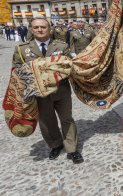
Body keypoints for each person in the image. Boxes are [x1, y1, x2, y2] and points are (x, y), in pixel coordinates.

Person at [12, 16, 83, 163]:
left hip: (61, 91)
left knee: (67, 119)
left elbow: (71, 66)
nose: (39, 29)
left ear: (49, 29)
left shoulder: (61, 46)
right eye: (36, 27)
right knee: (47, 121)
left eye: (43, 27)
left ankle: (72, 149)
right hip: (39, 94)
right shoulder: (22, 49)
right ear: (32, 29)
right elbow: (16, 70)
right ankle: (55, 144)